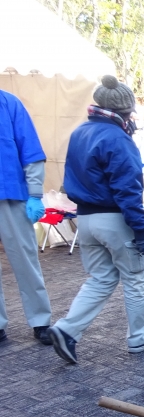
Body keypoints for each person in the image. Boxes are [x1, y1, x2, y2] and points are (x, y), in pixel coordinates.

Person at [48, 75, 144, 364]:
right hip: (114, 219)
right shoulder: (117, 138)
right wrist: (141, 231)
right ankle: (139, 337)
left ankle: (67, 329)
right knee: (135, 277)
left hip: (85, 219)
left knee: (101, 277)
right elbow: (128, 190)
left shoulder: (80, 132)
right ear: (125, 111)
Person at [0, 90, 53, 346]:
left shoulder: (9, 103)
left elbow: (30, 149)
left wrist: (35, 193)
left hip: (11, 194)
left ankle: (40, 320)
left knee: (25, 259)